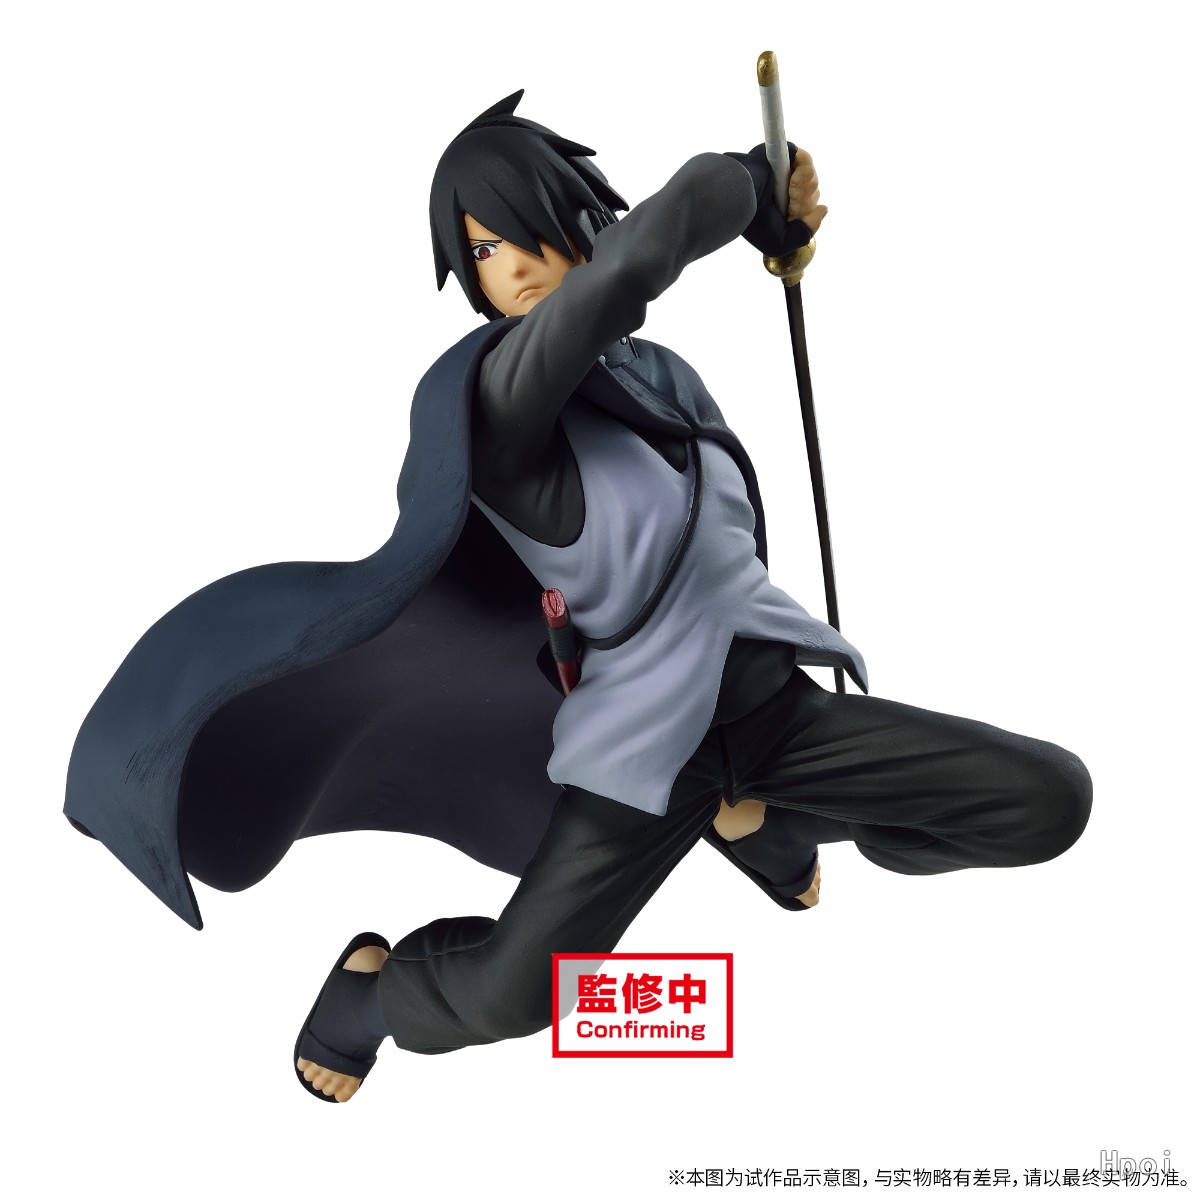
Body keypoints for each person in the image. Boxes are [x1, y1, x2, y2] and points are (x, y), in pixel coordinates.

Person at [286, 93, 1091, 1102]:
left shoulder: (662, 376)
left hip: (771, 706)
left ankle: (766, 821)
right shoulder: (498, 400)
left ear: (580, 218)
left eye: (533, 231)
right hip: (646, 757)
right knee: (515, 997)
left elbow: (721, 542)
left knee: (1046, 804)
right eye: (485, 250)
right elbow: (629, 268)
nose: (517, 267)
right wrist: (755, 184)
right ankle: (369, 999)